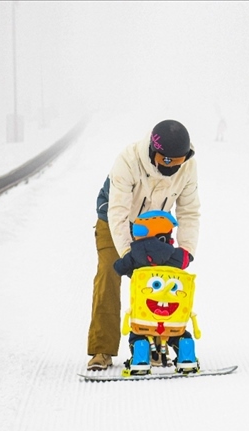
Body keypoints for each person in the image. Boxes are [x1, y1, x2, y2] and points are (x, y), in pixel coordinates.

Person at [86, 119, 200, 371]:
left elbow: (189, 211)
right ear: (153, 150)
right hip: (115, 221)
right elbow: (117, 211)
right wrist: (129, 253)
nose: (170, 167)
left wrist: (186, 251)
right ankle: (102, 349)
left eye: (177, 162)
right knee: (109, 273)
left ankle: (158, 345)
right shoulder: (128, 160)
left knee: (163, 280)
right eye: (165, 160)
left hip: (155, 226)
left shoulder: (188, 166)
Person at [113, 210, 197, 373]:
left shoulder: (134, 255)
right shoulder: (175, 256)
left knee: (138, 334)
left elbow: (118, 267)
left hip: (144, 315)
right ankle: (187, 359)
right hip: (173, 316)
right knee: (179, 334)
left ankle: (140, 359)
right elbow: (187, 259)